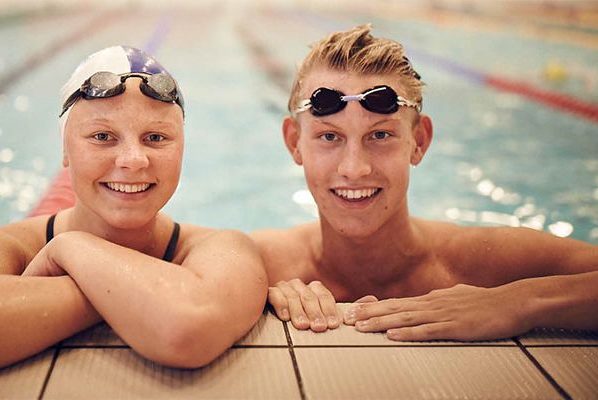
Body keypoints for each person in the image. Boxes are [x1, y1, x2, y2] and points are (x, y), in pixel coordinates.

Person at [0, 46, 267, 377]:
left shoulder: (224, 247)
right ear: (64, 150)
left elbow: (187, 333)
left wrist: (71, 248)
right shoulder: (1, 246)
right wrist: (132, 297)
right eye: (102, 136)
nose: (133, 161)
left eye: (156, 138)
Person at [251, 24, 598, 341]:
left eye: (381, 134)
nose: (354, 168)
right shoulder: (261, 264)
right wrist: (252, 293)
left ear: (419, 141)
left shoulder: (480, 262)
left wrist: (517, 301)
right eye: (329, 137)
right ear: (294, 142)